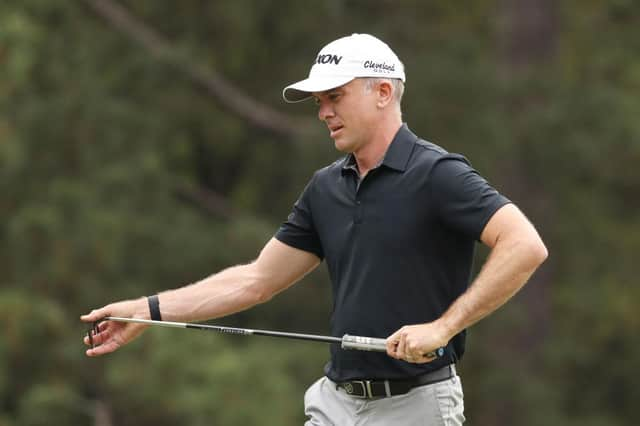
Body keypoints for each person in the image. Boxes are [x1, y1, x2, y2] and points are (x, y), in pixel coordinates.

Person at [82, 33, 548, 425]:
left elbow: (524, 244)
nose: (324, 111)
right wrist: (146, 311)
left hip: (418, 406)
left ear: (383, 92)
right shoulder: (326, 188)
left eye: (336, 96)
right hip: (335, 403)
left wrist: (444, 328)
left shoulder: (438, 174)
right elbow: (256, 281)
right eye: (320, 101)